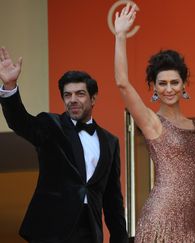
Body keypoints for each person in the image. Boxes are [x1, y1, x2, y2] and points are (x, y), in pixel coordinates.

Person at [0, 48, 128, 243]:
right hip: (51, 230)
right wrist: (9, 86)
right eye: (67, 95)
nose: (73, 100)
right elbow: (20, 122)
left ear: (93, 98)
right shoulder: (51, 125)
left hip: (89, 231)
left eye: (80, 94)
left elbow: (113, 201)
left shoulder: (110, 142)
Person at [113, 4, 195, 243]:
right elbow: (123, 83)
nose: (169, 89)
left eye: (174, 82)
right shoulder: (152, 122)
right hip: (160, 218)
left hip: (189, 226)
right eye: (162, 83)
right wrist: (120, 36)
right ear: (154, 88)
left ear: (183, 84)